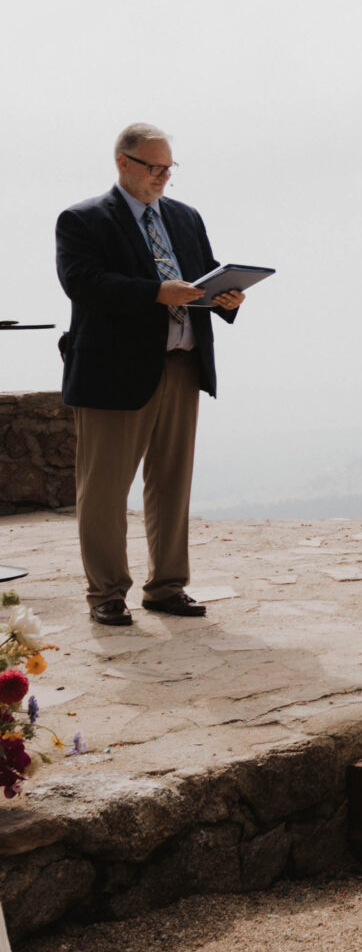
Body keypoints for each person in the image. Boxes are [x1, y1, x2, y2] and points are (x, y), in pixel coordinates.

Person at [55, 125, 248, 627]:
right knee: (103, 489)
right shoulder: (83, 219)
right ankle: (106, 593)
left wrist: (227, 298)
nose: (163, 176)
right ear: (124, 163)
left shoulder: (185, 217)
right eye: (154, 167)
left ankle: (166, 587)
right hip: (112, 374)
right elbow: (83, 283)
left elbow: (202, 278)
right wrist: (155, 293)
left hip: (182, 366)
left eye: (169, 168)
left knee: (171, 482)